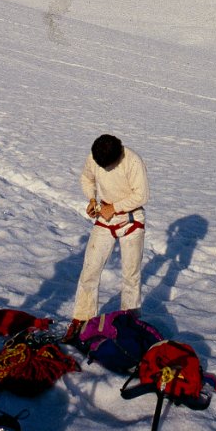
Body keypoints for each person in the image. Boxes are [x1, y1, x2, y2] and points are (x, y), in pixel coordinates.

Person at [65, 134, 148, 340]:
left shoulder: (132, 161)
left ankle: (130, 321)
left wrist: (116, 207)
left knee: (131, 275)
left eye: (107, 166)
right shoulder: (95, 156)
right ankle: (81, 319)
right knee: (90, 270)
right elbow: (86, 178)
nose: (102, 169)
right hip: (105, 219)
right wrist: (92, 199)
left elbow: (142, 195)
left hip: (131, 220)